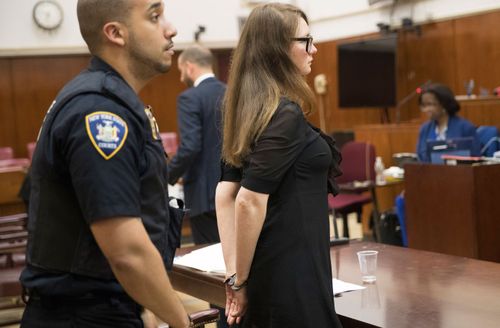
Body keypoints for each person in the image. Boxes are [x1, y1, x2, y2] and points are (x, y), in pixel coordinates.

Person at [20, 0, 193, 327]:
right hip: (83, 314)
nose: (171, 28)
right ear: (116, 33)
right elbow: (126, 251)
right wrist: (180, 321)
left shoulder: (112, 102)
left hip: (103, 306)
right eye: (155, 17)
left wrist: (147, 303)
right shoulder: (99, 112)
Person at [215, 3, 343, 327]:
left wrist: (235, 276)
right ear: (278, 50)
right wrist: (239, 283)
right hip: (292, 272)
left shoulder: (246, 109)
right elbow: (247, 200)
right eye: (305, 41)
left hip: (265, 264)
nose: (314, 49)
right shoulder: (284, 113)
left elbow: (225, 194)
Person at [168, 45, 226, 246]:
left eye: (181, 71)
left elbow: (191, 146)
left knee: (211, 262)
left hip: (204, 196)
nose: (181, 76)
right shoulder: (232, 93)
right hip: (235, 190)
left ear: (189, 67)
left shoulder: (189, 98)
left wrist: (168, 175)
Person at [416, 83, 479, 162]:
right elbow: (420, 158)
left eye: (430, 104)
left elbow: (475, 158)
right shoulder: (425, 129)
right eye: (424, 105)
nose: (426, 109)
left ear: (444, 104)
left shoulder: (465, 127)